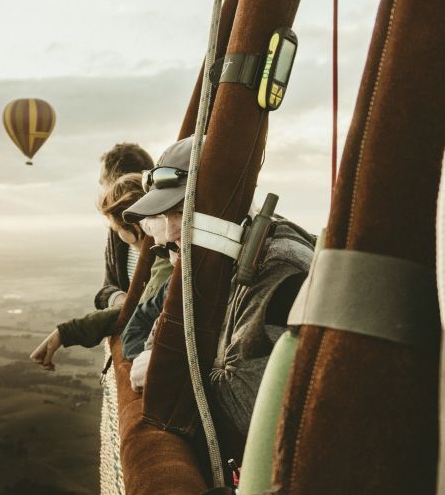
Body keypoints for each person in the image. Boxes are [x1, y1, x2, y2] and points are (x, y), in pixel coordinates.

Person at [120, 135, 315, 442]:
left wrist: (164, 376)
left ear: (223, 208)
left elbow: (244, 414)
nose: (170, 232)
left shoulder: (280, 272)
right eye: (163, 215)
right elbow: (155, 340)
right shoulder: (208, 264)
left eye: (182, 212)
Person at [30, 174, 173, 371]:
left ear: (132, 226)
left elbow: (138, 312)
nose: (117, 236)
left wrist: (66, 332)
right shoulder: (159, 253)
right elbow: (112, 290)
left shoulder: (165, 258)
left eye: (116, 229)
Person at [94, 143, 155, 311]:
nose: (102, 189)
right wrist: (119, 299)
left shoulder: (165, 233)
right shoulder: (117, 231)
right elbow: (106, 288)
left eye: (103, 183)